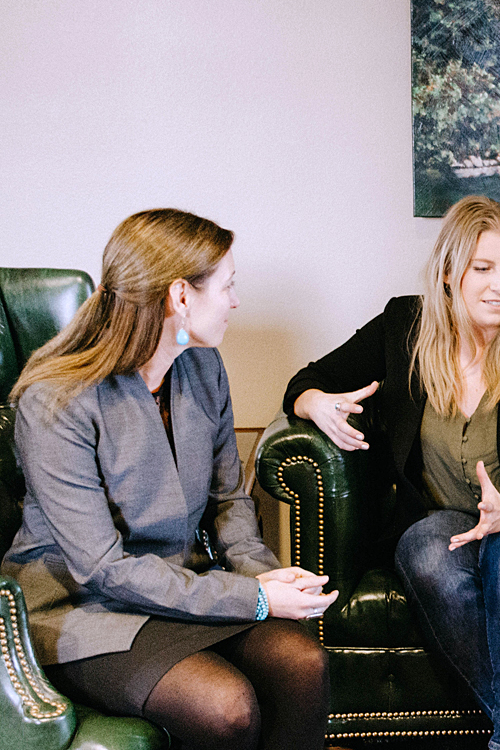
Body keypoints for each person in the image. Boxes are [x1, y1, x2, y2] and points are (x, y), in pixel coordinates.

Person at [2, 209, 335, 750]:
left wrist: (267, 578)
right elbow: (104, 569)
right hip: (84, 608)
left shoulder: (203, 367)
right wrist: (253, 597)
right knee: (225, 707)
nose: (235, 301)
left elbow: (228, 501)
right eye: (227, 286)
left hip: (185, 586)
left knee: (302, 663)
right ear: (180, 296)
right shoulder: (56, 401)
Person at [283, 195, 500, 750]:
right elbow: (306, 381)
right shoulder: (404, 326)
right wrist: (315, 404)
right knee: (425, 553)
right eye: (483, 268)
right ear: (450, 273)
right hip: (442, 517)